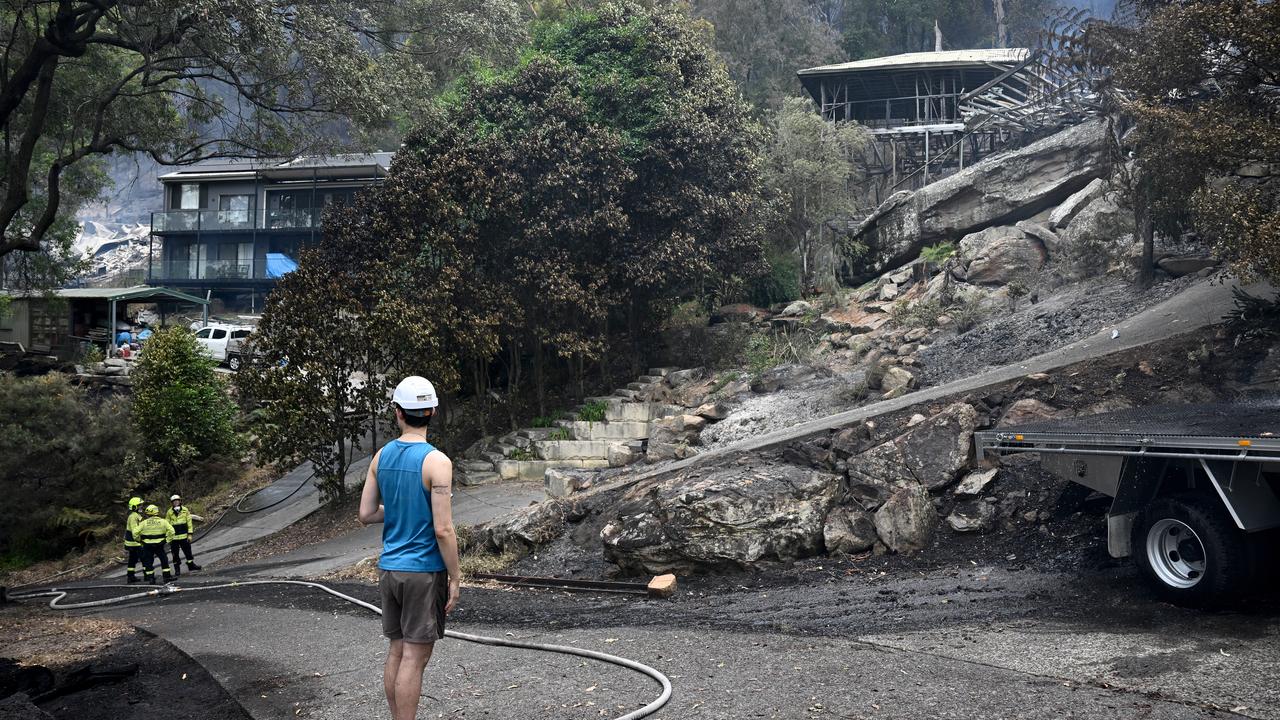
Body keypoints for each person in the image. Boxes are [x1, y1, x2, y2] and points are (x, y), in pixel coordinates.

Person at [358, 376, 460, 720]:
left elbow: (366, 514)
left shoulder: (380, 457)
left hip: (389, 570)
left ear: (398, 413)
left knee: (397, 650)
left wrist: (399, 509)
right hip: (423, 572)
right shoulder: (437, 462)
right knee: (415, 658)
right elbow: (443, 529)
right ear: (431, 411)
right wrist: (456, 578)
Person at [136, 504, 175, 585]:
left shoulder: (143, 523)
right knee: (164, 560)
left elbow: (135, 532)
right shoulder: (163, 521)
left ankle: (151, 579)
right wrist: (167, 540)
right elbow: (172, 531)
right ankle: (167, 577)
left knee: (148, 562)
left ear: (148, 513)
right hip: (159, 545)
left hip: (147, 546)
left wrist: (140, 541)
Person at [166, 494, 202, 575]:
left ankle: (191, 565)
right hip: (174, 538)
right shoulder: (169, 512)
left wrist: (190, 534)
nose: (176, 502)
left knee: (188, 552)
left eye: (177, 500)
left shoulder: (185, 510)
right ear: (172, 503)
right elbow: (167, 525)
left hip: (184, 536)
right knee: (175, 554)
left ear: (180, 501)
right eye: (174, 501)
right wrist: (168, 537)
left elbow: (189, 523)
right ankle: (177, 569)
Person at [124, 497, 144, 584]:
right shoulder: (133, 516)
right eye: (139, 506)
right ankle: (148, 575)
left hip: (133, 542)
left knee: (132, 559)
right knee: (144, 558)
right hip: (135, 542)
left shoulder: (136, 515)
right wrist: (141, 540)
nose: (141, 507)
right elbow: (135, 530)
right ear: (134, 507)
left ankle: (130, 576)